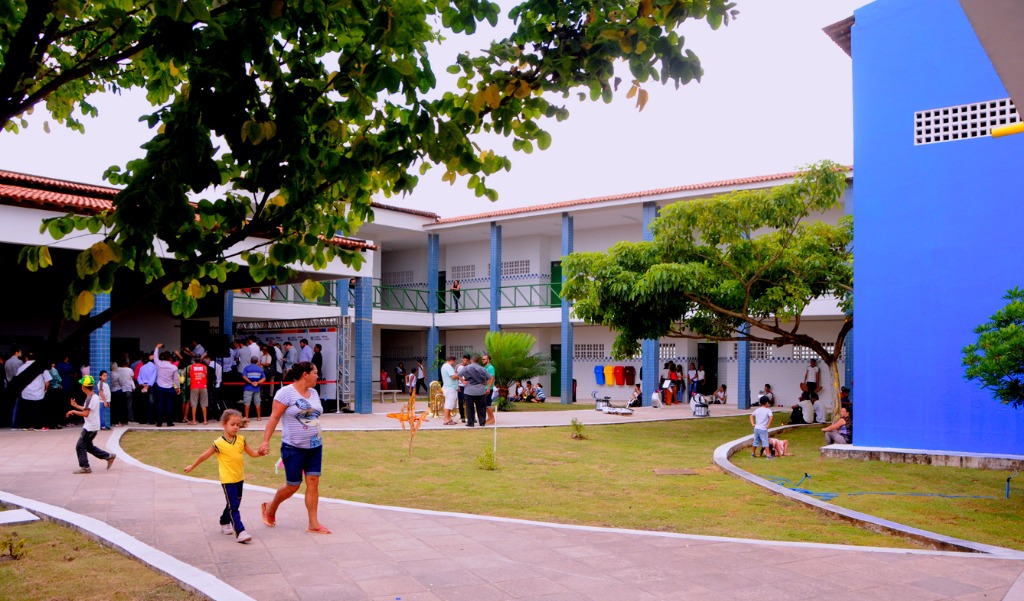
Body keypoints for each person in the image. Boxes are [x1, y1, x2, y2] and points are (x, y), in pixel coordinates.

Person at [258, 361, 331, 535]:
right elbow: (274, 418)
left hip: (315, 445)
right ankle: (270, 507)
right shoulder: (285, 393)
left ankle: (313, 524)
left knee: (313, 482)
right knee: (293, 485)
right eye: (315, 373)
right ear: (305, 374)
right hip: (293, 447)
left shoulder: (313, 392)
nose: (317, 376)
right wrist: (265, 441)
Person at [184, 409, 262, 544]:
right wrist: (192, 466)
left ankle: (224, 521)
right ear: (224, 424)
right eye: (233, 424)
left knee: (234, 503)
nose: (236, 427)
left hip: (239, 478)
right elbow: (204, 456)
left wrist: (260, 452)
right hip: (227, 479)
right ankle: (240, 531)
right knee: (234, 506)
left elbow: (253, 454)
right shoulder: (218, 443)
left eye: (238, 424)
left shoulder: (241, 440)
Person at [66, 376, 116, 474]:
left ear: (84, 387)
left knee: (80, 446)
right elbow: (87, 409)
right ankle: (108, 456)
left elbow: (86, 413)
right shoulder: (94, 396)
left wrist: (73, 411)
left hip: (90, 428)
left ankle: (85, 467)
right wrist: (76, 406)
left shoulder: (90, 398)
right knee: (88, 446)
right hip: (93, 427)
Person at [15, 352, 50, 431]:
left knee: (27, 410)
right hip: (39, 392)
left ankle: (27, 426)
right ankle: (38, 426)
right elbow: (47, 381)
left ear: (26, 358)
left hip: (26, 393)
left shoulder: (21, 368)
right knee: (38, 410)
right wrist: (45, 389)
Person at [460, 355, 490, 427]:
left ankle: (471, 422)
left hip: (469, 390)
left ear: (471, 361)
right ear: (478, 361)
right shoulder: (482, 368)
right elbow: (489, 377)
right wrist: (485, 384)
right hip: (480, 391)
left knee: (469, 407)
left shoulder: (466, 368)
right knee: (481, 407)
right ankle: (482, 422)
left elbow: (459, 374)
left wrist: (463, 381)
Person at [110, 361, 135, 426]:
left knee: (113, 406)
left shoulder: (109, 374)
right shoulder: (117, 374)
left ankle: (112, 421)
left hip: (111, 391)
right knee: (120, 407)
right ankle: (121, 421)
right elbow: (121, 383)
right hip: (118, 391)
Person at [241, 357, 265, 421]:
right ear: (257, 361)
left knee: (247, 403)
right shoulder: (260, 369)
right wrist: (257, 382)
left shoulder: (247, 368)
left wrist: (251, 382)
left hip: (248, 387)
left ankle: (246, 417)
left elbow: (244, 376)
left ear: (250, 361)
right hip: (257, 388)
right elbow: (263, 378)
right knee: (257, 403)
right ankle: (259, 417)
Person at [137, 352, 157, 424]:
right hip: (151, 386)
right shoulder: (154, 366)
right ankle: (151, 419)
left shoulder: (142, 367)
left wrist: (142, 384)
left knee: (143, 403)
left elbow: (139, 377)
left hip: (143, 386)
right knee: (151, 403)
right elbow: (153, 377)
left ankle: (143, 419)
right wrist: (149, 385)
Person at [188, 356, 210, 424]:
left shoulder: (191, 367)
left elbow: (189, 375)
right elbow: (206, 375)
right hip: (203, 386)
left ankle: (194, 420)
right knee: (204, 404)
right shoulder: (204, 367)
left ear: (194, 360)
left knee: (194, 404)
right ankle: (205, 420)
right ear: (200, 360)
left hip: (194, 386)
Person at [440, 355, 459, 425]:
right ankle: (446, 419)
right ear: (452, 360)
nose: (454, 363)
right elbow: (453, 377)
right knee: (448, 404)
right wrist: (458, 375)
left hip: (449, 387)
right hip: (450, 388)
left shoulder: (444, 366)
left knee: (449, 404)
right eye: (454, 361)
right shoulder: (448, 366)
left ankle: (449, 418)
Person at [481, 354, 496, 425]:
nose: (482, 360)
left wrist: (489, 388)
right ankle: (489, 418)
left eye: (484, 359)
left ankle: (492, 418)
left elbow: (492, 378)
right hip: (485, 388)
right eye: (482, 359)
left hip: (488, 388)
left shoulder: (490, 367)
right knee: (485, 404)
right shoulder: (485, 367)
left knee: (487, 404)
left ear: (488, 360)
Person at [456, 354, 469, 422]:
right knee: (461, 402)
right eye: (464, 360)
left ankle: (469, 416)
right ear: (462, 359)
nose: (465, 361)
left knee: (469, 401)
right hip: (460, 386)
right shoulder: (458, 366)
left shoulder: (469, 367)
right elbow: (456, 376)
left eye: (467, 360)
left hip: (468, 386)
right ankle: (462, 416)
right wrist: (457, 386)